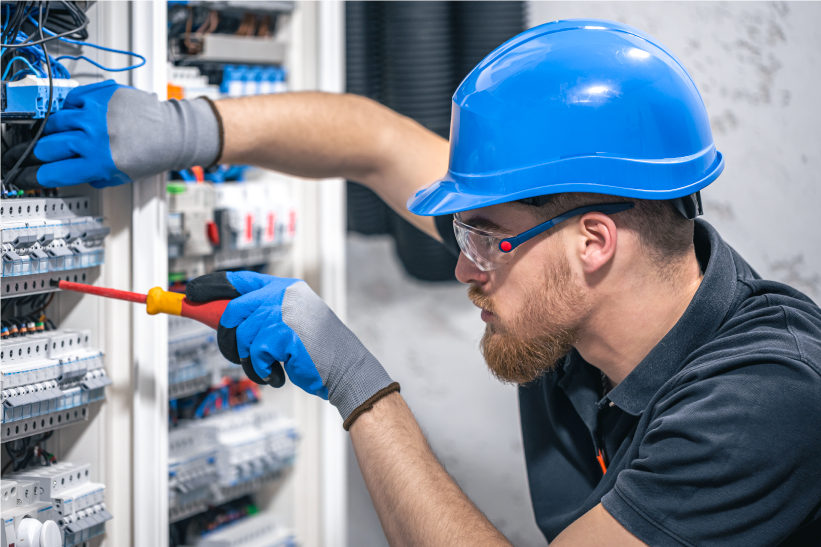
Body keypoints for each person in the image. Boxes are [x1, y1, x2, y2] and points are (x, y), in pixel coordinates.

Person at [5, 19, 821, 547]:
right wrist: (194, 127)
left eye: (483, 240)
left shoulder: (763, 398)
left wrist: (362, 388)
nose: (464, 266)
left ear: (594, 243)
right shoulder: (561, 275)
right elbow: (374, 140)